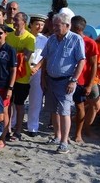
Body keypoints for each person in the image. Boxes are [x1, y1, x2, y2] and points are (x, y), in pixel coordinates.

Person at [41, 13, 84, 154]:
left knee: (64, 111)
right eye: (53, 25)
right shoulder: (52, 39)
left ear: (67, 25)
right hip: (51, 80)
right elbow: (45, 59)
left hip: (66, 81)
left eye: (57, 25)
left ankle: (64, 142)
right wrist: (43, 78)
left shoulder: (75, 39)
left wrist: (74, 80)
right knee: (53, 110)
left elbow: (81, 61)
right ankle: (56, 135)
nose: (54, 28)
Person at [6, 12, 35, 141]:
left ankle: (18, 130)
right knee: (8, 103)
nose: (14, 22)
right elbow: (6, 54)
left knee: (19, 104)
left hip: (23, 76)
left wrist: (15, 55)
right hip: (9, 74)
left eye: (17, 20)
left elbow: (26, 56)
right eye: (14, 20)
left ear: (24, 21)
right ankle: (7, 129)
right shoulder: (9, 36)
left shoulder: (29, 37)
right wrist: (19, 53)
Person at [70, 15, 98, 143]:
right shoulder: (70, 40)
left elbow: (93, 66)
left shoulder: (90, 43)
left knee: (93, 105)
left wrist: (90, 83)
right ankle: (79, 131)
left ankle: (85, 130)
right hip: (73, 79)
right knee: (79, 105)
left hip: (87, 80)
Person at [26, 14, 47, 137]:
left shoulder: (45, 40)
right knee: (19, 99)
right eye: (37, 24)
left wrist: (37, 67)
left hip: (37, 70)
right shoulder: (26, 36)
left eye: (42, 25)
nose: (39, 27)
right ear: (31, 24)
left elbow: (45, 56)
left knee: (36, 99)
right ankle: (13, 123)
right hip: (24, 70)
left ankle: (32, 127)